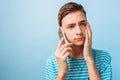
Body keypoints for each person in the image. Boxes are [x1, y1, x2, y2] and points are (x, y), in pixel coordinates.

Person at [46, 2, 112, 80]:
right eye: (71, 26)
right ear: (62, 31)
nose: (79, 31)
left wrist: (89, 60)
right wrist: (61, 72)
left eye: (82, 24)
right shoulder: (53, 62)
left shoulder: (103, 58)